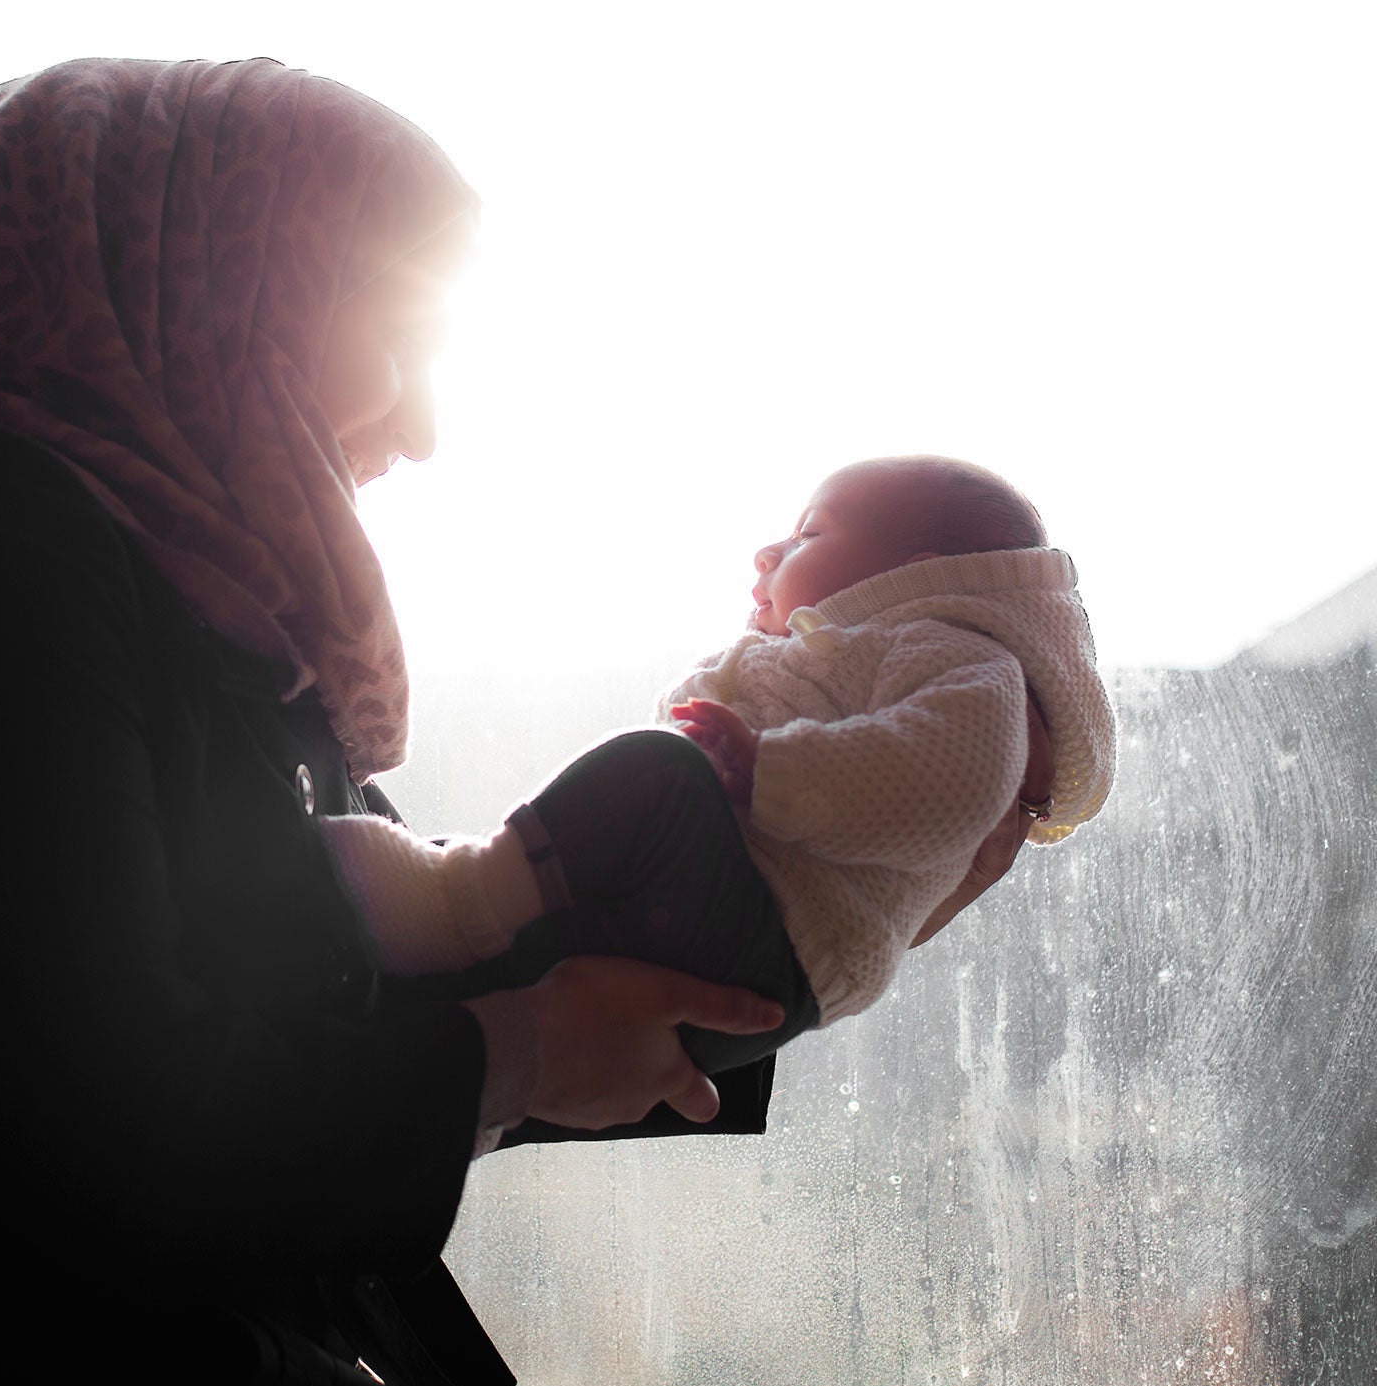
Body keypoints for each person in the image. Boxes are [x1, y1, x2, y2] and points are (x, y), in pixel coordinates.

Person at [0, 56, 818, 1386]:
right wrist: (511, 1051)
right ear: (218, 274)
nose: (425, 424)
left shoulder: (221, 630)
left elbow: (452, 978)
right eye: (404, 335)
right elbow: (103, 1119)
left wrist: (828, 863)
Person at [321, 456, 1113, 1080]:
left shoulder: (958, 656)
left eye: (808, 534)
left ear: (912, 571)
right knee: (552, 927)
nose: (769, 550)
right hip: (723, 910)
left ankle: (454, 902)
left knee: (656, 774)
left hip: (775, 940)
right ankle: (453, 972)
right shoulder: (818, 656)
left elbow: (945, 776)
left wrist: (767, 771)